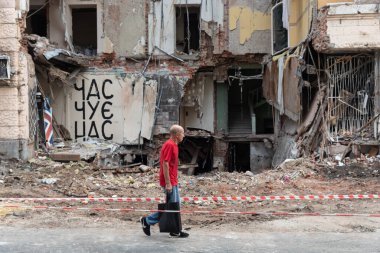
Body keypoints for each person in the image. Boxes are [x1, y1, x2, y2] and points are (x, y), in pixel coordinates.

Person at [140, 124, 189, 238]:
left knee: (173, 206)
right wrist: (168, 183)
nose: (184, 135)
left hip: (173, 180)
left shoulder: (175, 145)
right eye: (182, 133)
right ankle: (147, 221)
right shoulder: (169, 145)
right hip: (169, 181)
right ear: (176, 135)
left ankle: (174, 230)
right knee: (172, 207)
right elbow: (165, 163)